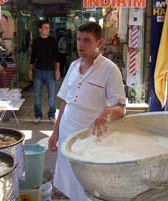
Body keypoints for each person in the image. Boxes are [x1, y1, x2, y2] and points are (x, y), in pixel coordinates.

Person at [48, 22, 126, 201]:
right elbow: (65, 102)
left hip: (89, 138)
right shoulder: (74, 66)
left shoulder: (109, 70)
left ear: (99, 43)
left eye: (86, 40)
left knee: (86, 185)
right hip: (67, 132)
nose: (80, 44)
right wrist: (55, 132)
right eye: (78, 39)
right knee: (65, 178)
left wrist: (107, 112)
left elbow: (121, 108)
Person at [29, 20, 60, 123]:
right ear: (40, 29)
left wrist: (57, 70)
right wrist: (30, 69)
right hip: (38, 71)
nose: (48, 30)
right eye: (45, 28)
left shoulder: (53, 41)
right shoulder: (36, 41)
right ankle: (38, 115)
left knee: (51, 96)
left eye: (48, 28)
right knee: (37, 95)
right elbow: (33, 57)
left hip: (50, 72)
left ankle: (52, 115)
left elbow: (57, 57)